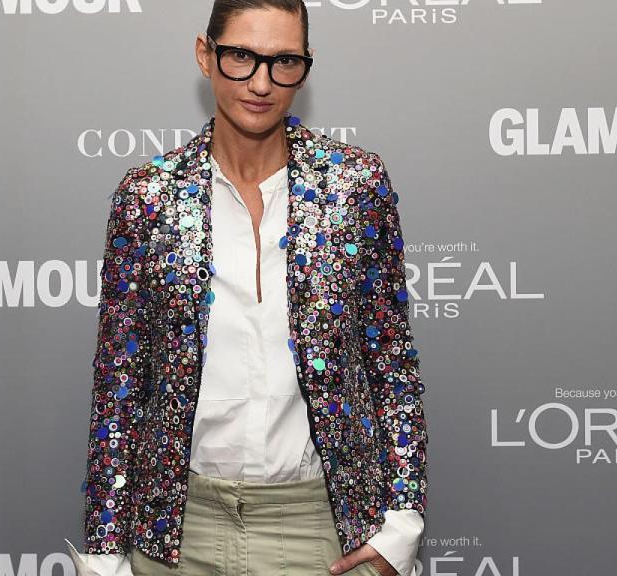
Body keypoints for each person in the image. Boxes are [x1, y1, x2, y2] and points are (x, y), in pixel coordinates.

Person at [69, 1, 427, 574]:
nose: (261, 83)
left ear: (305, 67)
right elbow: (119, 382)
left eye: (284, 61)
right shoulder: (148, 197)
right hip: (177, 532)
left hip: (320, 526)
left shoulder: (355, 186)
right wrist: (104, 550)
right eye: (241, 56)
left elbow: (390, 360)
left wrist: (402, 522)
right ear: (204, 55)